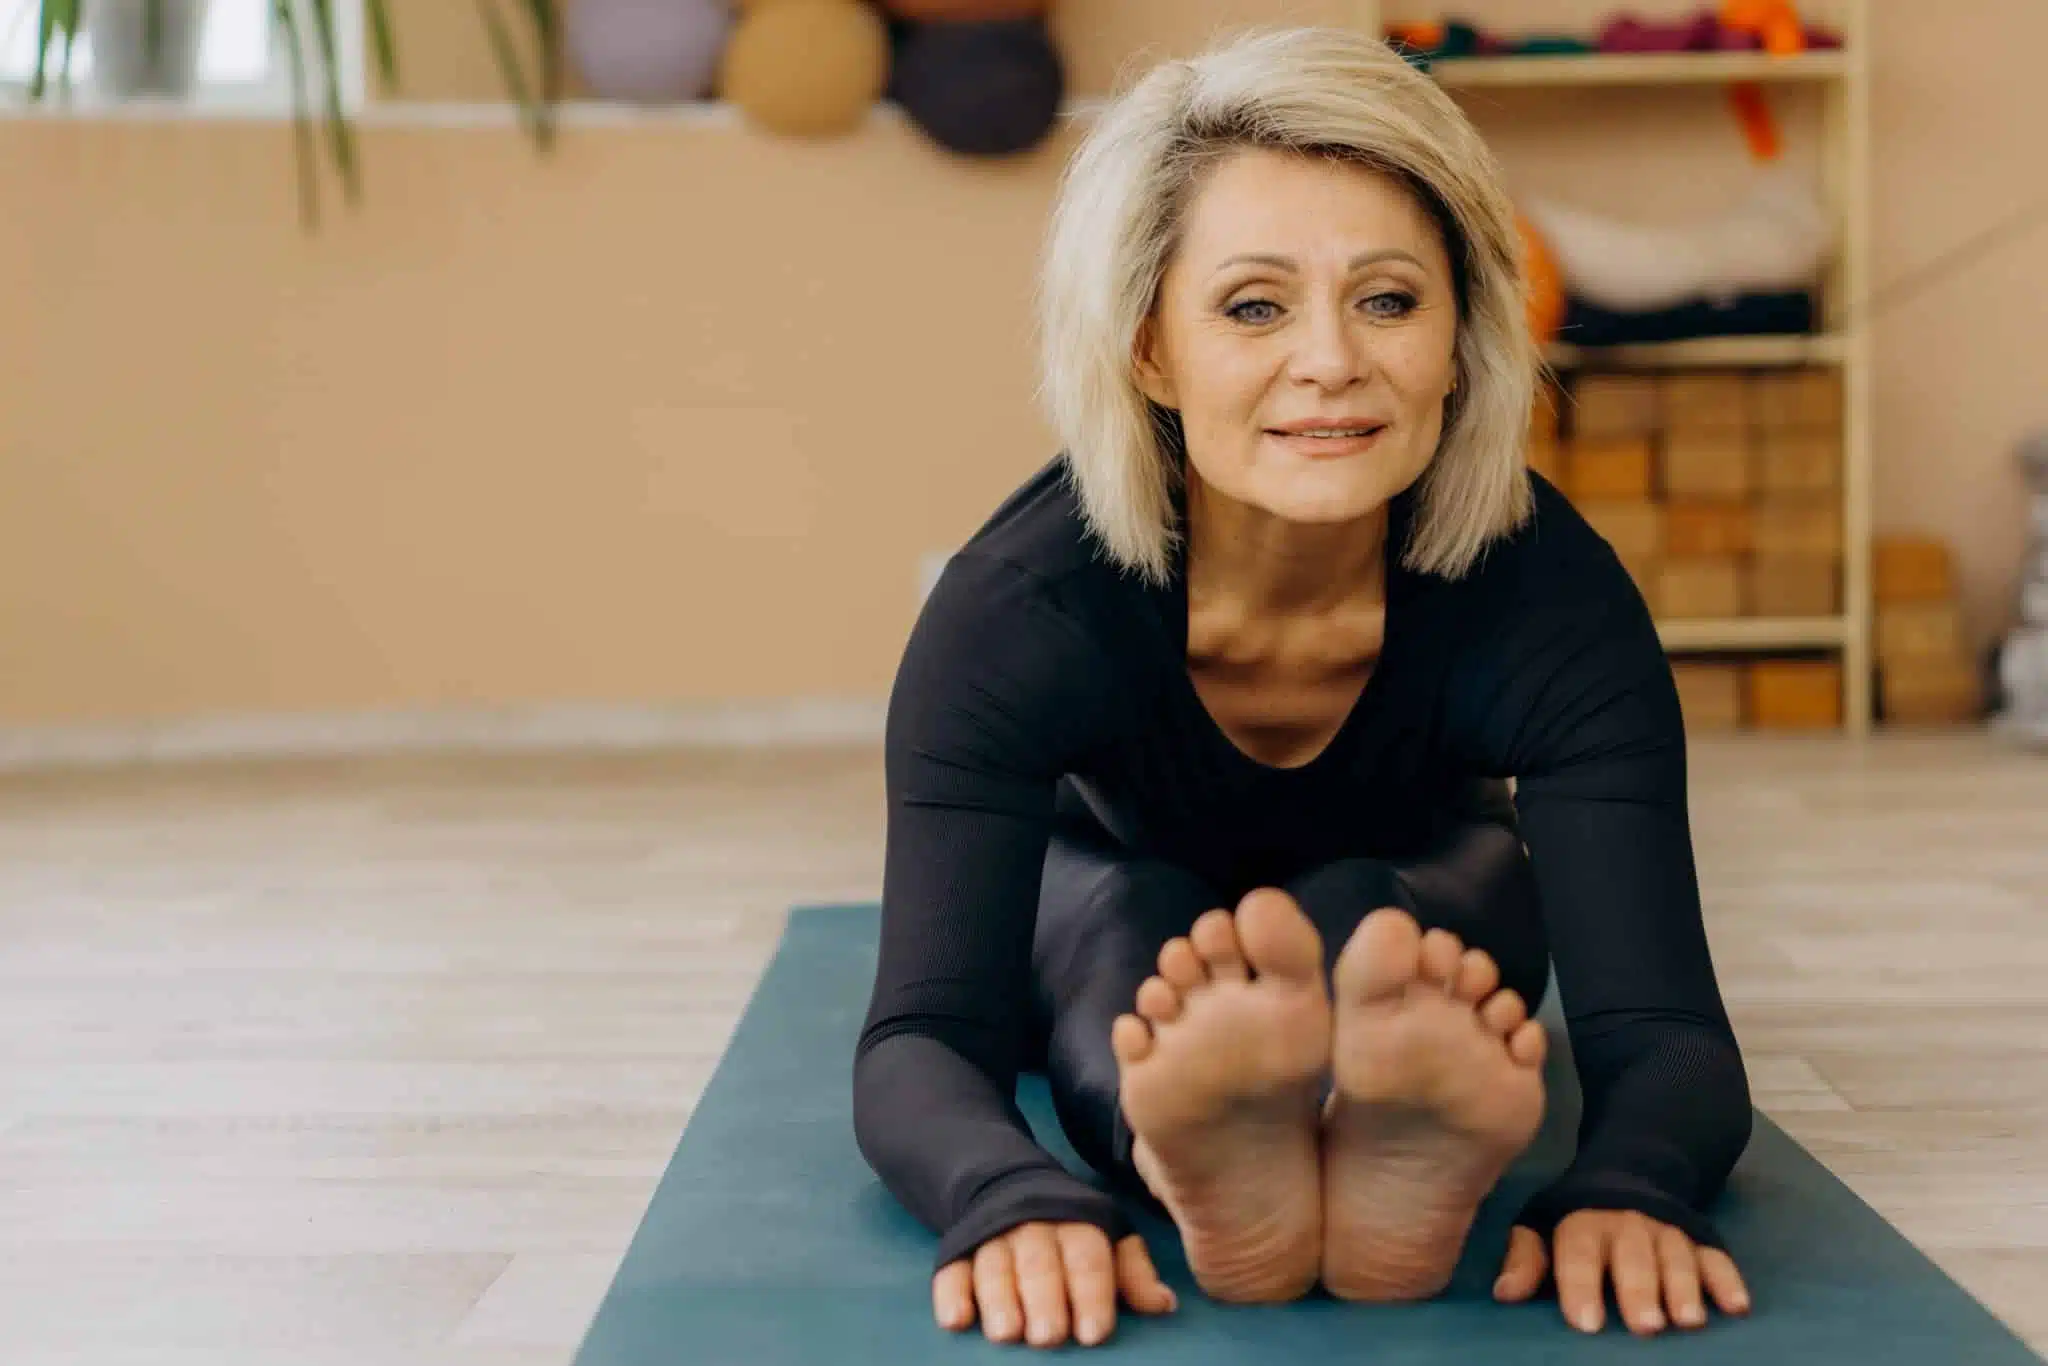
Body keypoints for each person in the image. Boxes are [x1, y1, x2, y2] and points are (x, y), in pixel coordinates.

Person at [852, 22, 1755, 1351]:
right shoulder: (1023, 611)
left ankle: (1374, 1131)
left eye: (1389, 299)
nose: (1331, 361)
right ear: (1150, 347)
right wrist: (1011, 1192)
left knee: (1379, 914)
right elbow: (924, 1033)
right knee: (1128, 914)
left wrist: (1630, 1184)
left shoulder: (1552, 600)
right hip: (1106, 885)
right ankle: (1195, 1151)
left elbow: (1663, 1023)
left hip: (1420, 896)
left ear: (1462, 333)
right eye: (1254, 305)